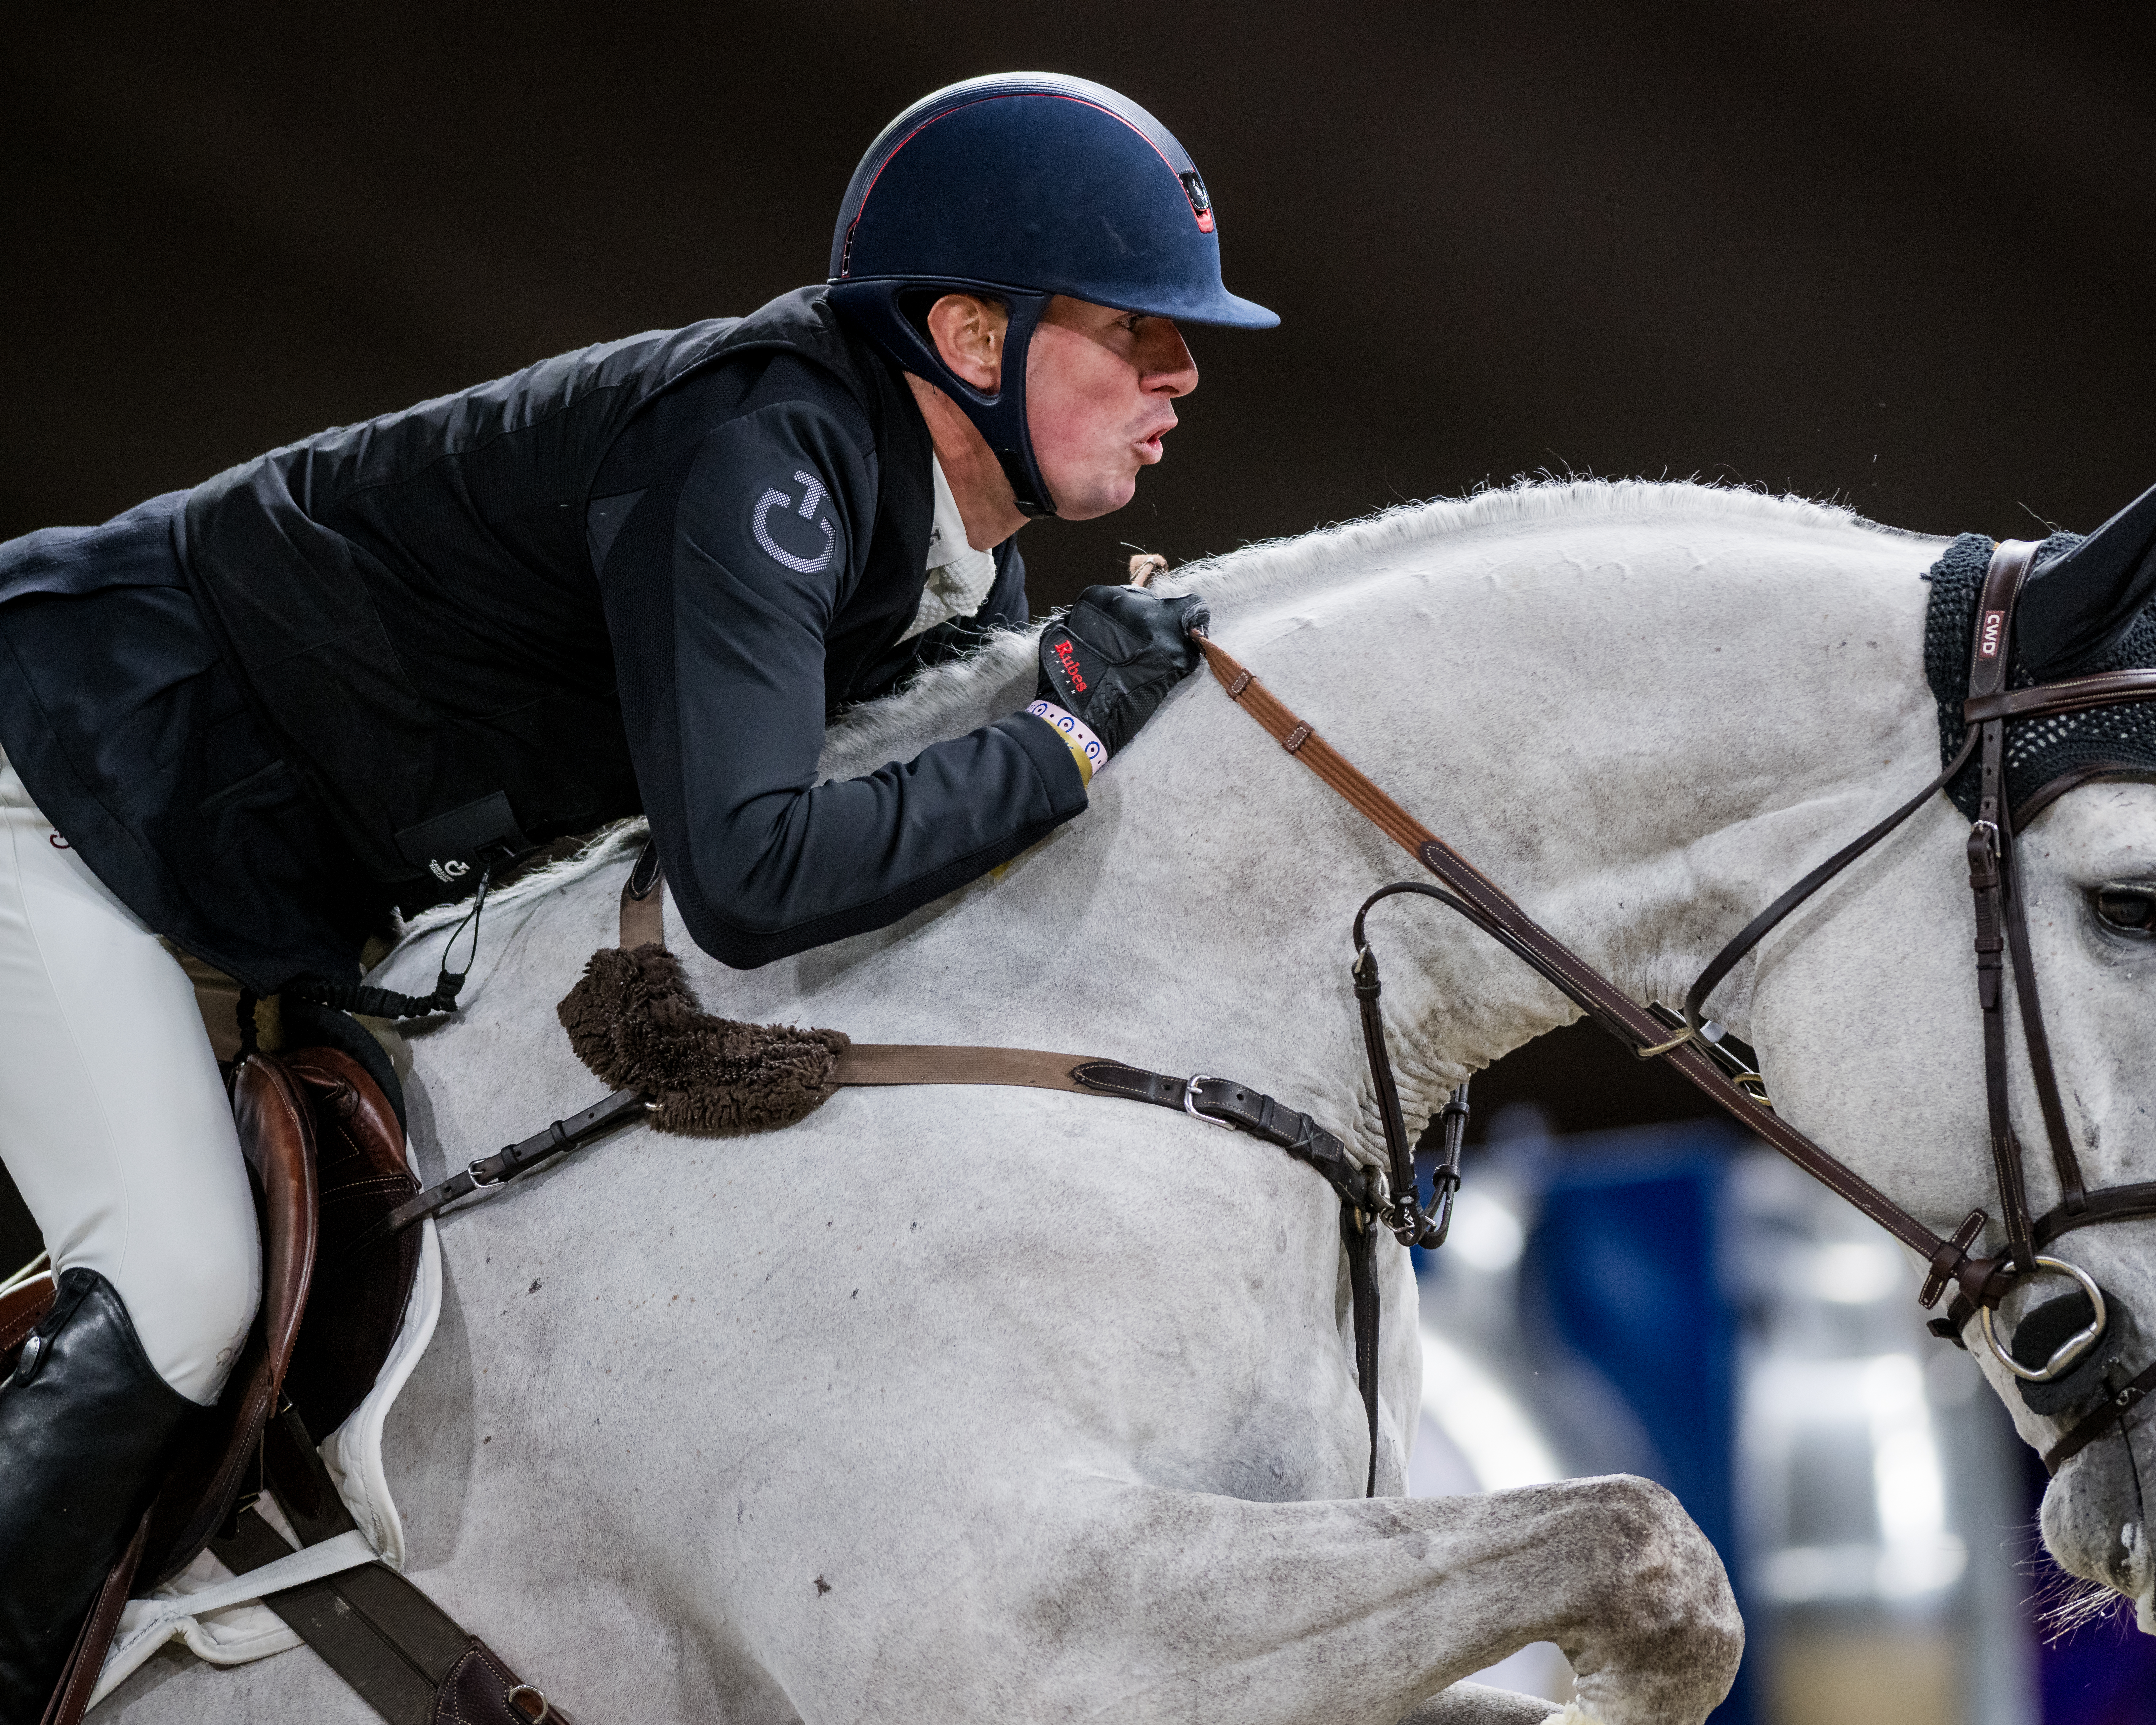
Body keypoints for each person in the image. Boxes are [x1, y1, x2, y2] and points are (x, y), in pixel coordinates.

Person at [0, 72, 1273, 1714]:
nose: (1183, 374)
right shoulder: (762, 447)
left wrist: (1058, 732)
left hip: (243, 872)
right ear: (971, 338)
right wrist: (1068, 735)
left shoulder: (948, 552)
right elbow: (752, 875)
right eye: (1135, 327)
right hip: (55, 778)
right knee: (182, 1285)